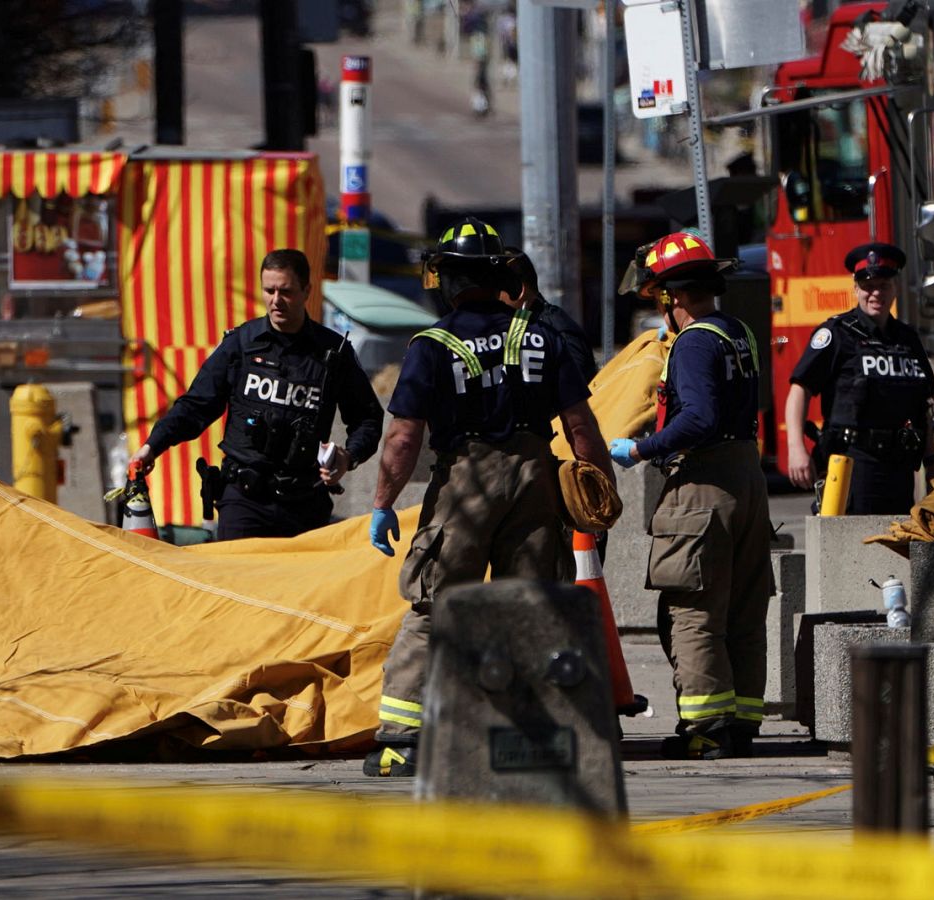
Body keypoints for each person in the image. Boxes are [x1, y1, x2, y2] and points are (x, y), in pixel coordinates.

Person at [364, 217, 615, 777]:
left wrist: (383, 503)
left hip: (465, 482)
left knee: (435, 606)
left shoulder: (432, 345)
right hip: (534, 477)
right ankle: (522, 735)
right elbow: (582, 427)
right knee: (526, 609)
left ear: (450, 281)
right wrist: (599, 495)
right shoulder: (542, 337)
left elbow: (404, 436)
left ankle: (402, 740)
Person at [609, 231, 773, 760]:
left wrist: (640, 449)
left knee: (693, 611)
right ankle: (743, 720)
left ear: (672, 297)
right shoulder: (736, 331)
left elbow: (698, 416)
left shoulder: (695, 340)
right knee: (744, 610)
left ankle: (706, 727)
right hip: (746, 478)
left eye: (659, 297)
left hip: (703, 486)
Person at [129, 249, 383, 540]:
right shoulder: (241, 344)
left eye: (286, 291)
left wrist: (348, 457)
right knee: (233, 583)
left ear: (306, 291)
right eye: (269, 290)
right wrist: (152, 445)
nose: (276, 301)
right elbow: (197, 406)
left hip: (304, 504)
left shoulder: (333, 353)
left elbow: (367, 418)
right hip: (244, 500)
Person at [783, 242, 934, 514]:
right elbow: (800, 389)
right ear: (855, 289)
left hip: (899, 467)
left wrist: (933, 467)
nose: (876, 293)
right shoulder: (836, 334)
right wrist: (795, 448)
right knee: (851, 547)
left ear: (895, 289)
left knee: (898, 548)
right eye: (868, 286)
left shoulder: (907, 339)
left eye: (884, 285)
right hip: (851, 464)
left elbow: (922, 409)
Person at [503, 247, 598, 385]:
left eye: (495, 291)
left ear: (518, 290)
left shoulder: (557, 333)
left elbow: (576, 394)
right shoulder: (517, 327)